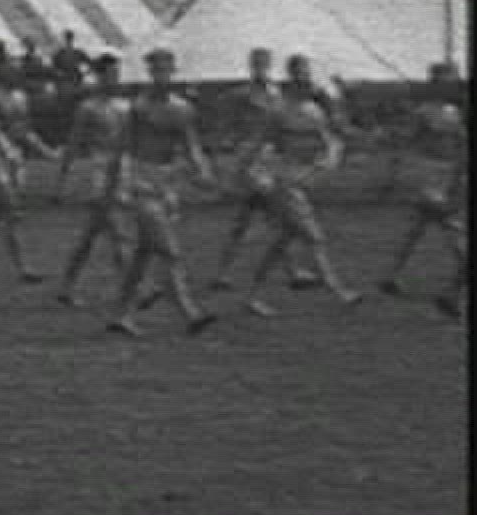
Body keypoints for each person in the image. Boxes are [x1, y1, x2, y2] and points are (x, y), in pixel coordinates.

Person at [238, 54, 363, 318]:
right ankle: (338, 291)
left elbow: (327, 140)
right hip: (284, 181)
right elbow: (261, 142)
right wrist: (248, 172)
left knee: (282, 242)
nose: (305, 81)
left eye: (306, 75)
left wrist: (326, 158)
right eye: (299, 75)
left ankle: (252, 296)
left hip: (300, 181)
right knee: (314, 237)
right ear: (291, 79)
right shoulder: (279, 111)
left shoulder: (315, 110)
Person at [106, 49, 218, 338]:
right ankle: (190, 312)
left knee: (143, 255)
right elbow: (122, 148)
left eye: (166, 70)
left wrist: (202, 171)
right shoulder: (139, 108)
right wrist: (115, 186)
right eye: (156, 70)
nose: (161, 76)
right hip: (141, 182)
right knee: (169, 249)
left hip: (166, 185)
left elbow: (191, 145)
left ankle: (121, 315)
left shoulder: (182, 109)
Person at [209, 50, 317, 292]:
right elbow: (227, 121)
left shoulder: (276, 94)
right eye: (256, 63)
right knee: (275, 218)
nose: (260, 67)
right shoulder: (242, 95)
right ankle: (293, 272)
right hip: (251, 162)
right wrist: (231, 143)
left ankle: (224, 273)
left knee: (252, 221)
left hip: (269, 161)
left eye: (264, 63)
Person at [378, 63, 466, 319]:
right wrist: (398, 172)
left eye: (453, 80)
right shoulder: (424, 112)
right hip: (427, 173)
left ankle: (392, 276)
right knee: (449, 229)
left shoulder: (454, 111)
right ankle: (452, 294)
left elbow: (458, 141)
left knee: (416, 230)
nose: (451, 85)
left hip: (448, 174)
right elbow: (408, 141)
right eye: (446, 80)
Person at [53, 54, 134, 306]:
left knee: (91, 235)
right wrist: (63, 178)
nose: (115, 79)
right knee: (117, 231)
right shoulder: (88, 108)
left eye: (117, 74)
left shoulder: (126, 106)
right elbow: (74, 142)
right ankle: (133, 288)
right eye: (110, 74)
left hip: (122, 169)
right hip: (98, 170)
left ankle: (66, 285)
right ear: (100, 77)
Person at [0, 71, 55, 288]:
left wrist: (44, 150)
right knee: (11, 209)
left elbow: (24, 130)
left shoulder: (20, 98)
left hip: (14, 156)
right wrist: (6, 149)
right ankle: (23, 266)